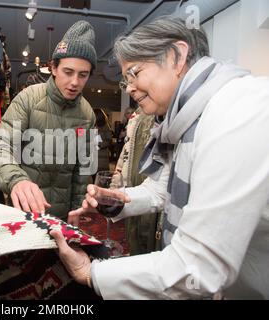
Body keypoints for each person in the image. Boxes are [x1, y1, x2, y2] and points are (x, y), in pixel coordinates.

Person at [50, 16, 269, 299]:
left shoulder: (237, 111)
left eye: (134, 73)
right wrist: (116, 202)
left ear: (176, 57)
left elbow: (196, 266)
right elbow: (160, 190)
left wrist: (91, 273)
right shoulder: (187, 118)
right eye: (126, 79)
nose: (128, 87)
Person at [0, 21, 97, 219]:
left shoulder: (88, 114)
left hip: (62, 217)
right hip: (24, 213)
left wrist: (77, 210)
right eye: (68, 72)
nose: (74, 82)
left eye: (83, 75)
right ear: (53, 68)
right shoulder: (28, 98)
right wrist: (16, 180)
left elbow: (83, 171)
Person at [114, 107, 161, 255]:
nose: (129, 88)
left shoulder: (164, 116)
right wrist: (117, 180)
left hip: (154, 184)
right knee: (133, 230)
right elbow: (125, 152)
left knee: (149, 232)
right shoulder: (136, 118)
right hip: (132, 183)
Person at [93, 108, 113, 173]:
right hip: (92, 157)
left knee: (100, 178)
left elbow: (109, 141)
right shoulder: (92, 126)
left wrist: (99, 145)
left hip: (101, 156)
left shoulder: (106, 127)